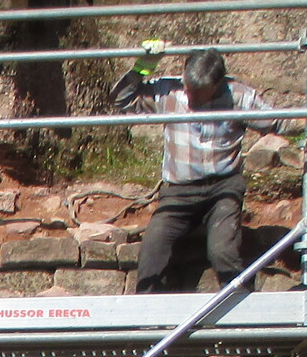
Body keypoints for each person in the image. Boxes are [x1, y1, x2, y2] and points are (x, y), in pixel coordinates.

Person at [111, 47, 293, 299]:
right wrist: (144, 66)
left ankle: (239, 306)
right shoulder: (170, 91)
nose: (190, 96)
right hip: (178, 192)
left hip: (223, 189)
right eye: (188, 87)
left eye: (198, 91)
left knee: (222, 251)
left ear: (217, 84)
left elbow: (279, 122)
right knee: (152, 250)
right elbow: (121, 100)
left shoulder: (239, 97)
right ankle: (147, 313)